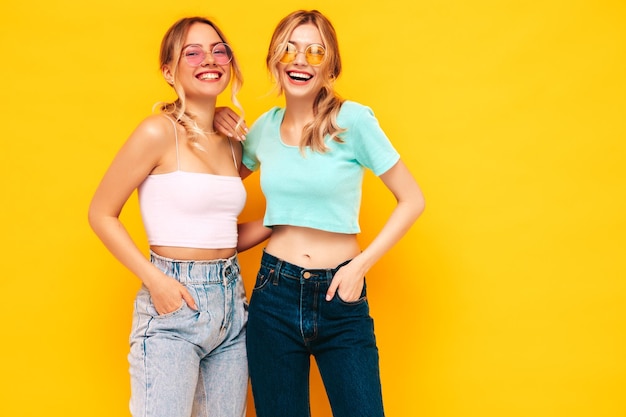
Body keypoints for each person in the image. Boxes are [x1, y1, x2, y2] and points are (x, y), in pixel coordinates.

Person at [214, 9, 425, 417]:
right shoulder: (262, 129)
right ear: (275, 59)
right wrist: (211, 120)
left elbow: (412, 199)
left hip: (339, 295)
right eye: (288, 49)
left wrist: (359, 266)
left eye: (314, 52)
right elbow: (213, 187)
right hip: (273, 295)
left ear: (330, 65)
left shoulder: (353, 121)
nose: (298, 60)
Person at [88, 16, 269, 417]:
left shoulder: (234, 145)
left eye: (219, 50)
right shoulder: (157, 132)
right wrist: (156, 282)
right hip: (174, 305)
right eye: (193, 52)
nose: (210, 58)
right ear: (169, 71)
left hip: (231, 304)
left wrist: (282, 221)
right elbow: (101, 213)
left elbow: (219, 235)